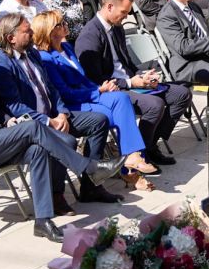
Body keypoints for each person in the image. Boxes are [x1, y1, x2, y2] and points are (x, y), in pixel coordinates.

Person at [0, 29, 120, 239]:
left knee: (37, 150)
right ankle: (89, 167)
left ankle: (43, 221)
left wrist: (7, 120)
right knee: (33, 127)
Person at [0, 13, 117, 205]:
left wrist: (61, 113)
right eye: (27, 31)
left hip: (53, 114)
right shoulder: (0, 63)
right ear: (11, 38)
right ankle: (56, 195)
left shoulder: (33, 53)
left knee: (98, 120)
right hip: (28, 125)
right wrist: (48, 121)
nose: (32, 33)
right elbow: (14, 106)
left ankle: (91, 186)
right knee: (66, 141)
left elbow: (50, 88)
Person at [31, 10, 159, 188]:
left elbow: (83, 79)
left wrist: (102, 88)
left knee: (121, 98)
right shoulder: (46, 59)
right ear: (50, 31)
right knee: (118, 114)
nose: (66, 24)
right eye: (60, 23)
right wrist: (98, 91)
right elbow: (64, 93)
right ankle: (129, 168)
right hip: (74, 104)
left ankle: (131, 158)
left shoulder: (67, 47)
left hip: (88, 94)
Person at [75, 0, 190, 164]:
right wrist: (130, 82)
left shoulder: (117, 28)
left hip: (130, 82)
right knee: (154, 105)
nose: (126, 17)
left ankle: (151, 144)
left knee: (182, 94)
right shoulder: (90, 36)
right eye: (123, 12)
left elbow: (126, 64)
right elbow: (95, 79)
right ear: (110, 6)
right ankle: (140, 155)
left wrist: (142, 76)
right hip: (112, 90)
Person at [155, 0, 209, 84]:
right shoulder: (167, 16)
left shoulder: (192, 6)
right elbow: (183, 47)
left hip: (205, 55)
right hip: (187, 64)